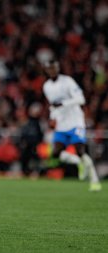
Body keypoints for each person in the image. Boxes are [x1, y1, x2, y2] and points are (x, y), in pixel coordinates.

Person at [42, 60, 102, 191]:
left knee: (80, 150)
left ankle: (94, 181)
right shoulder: (46, 86)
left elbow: (81, 99)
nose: (52, 71)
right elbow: (53, 105)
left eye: (54, 68)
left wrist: (63, 104)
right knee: (56, 153)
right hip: (61, 124)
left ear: (58, 68)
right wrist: (53, 116)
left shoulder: (67, 81)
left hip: (75, 121)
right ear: (46, 70)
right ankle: (79, 162)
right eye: (49, 68)